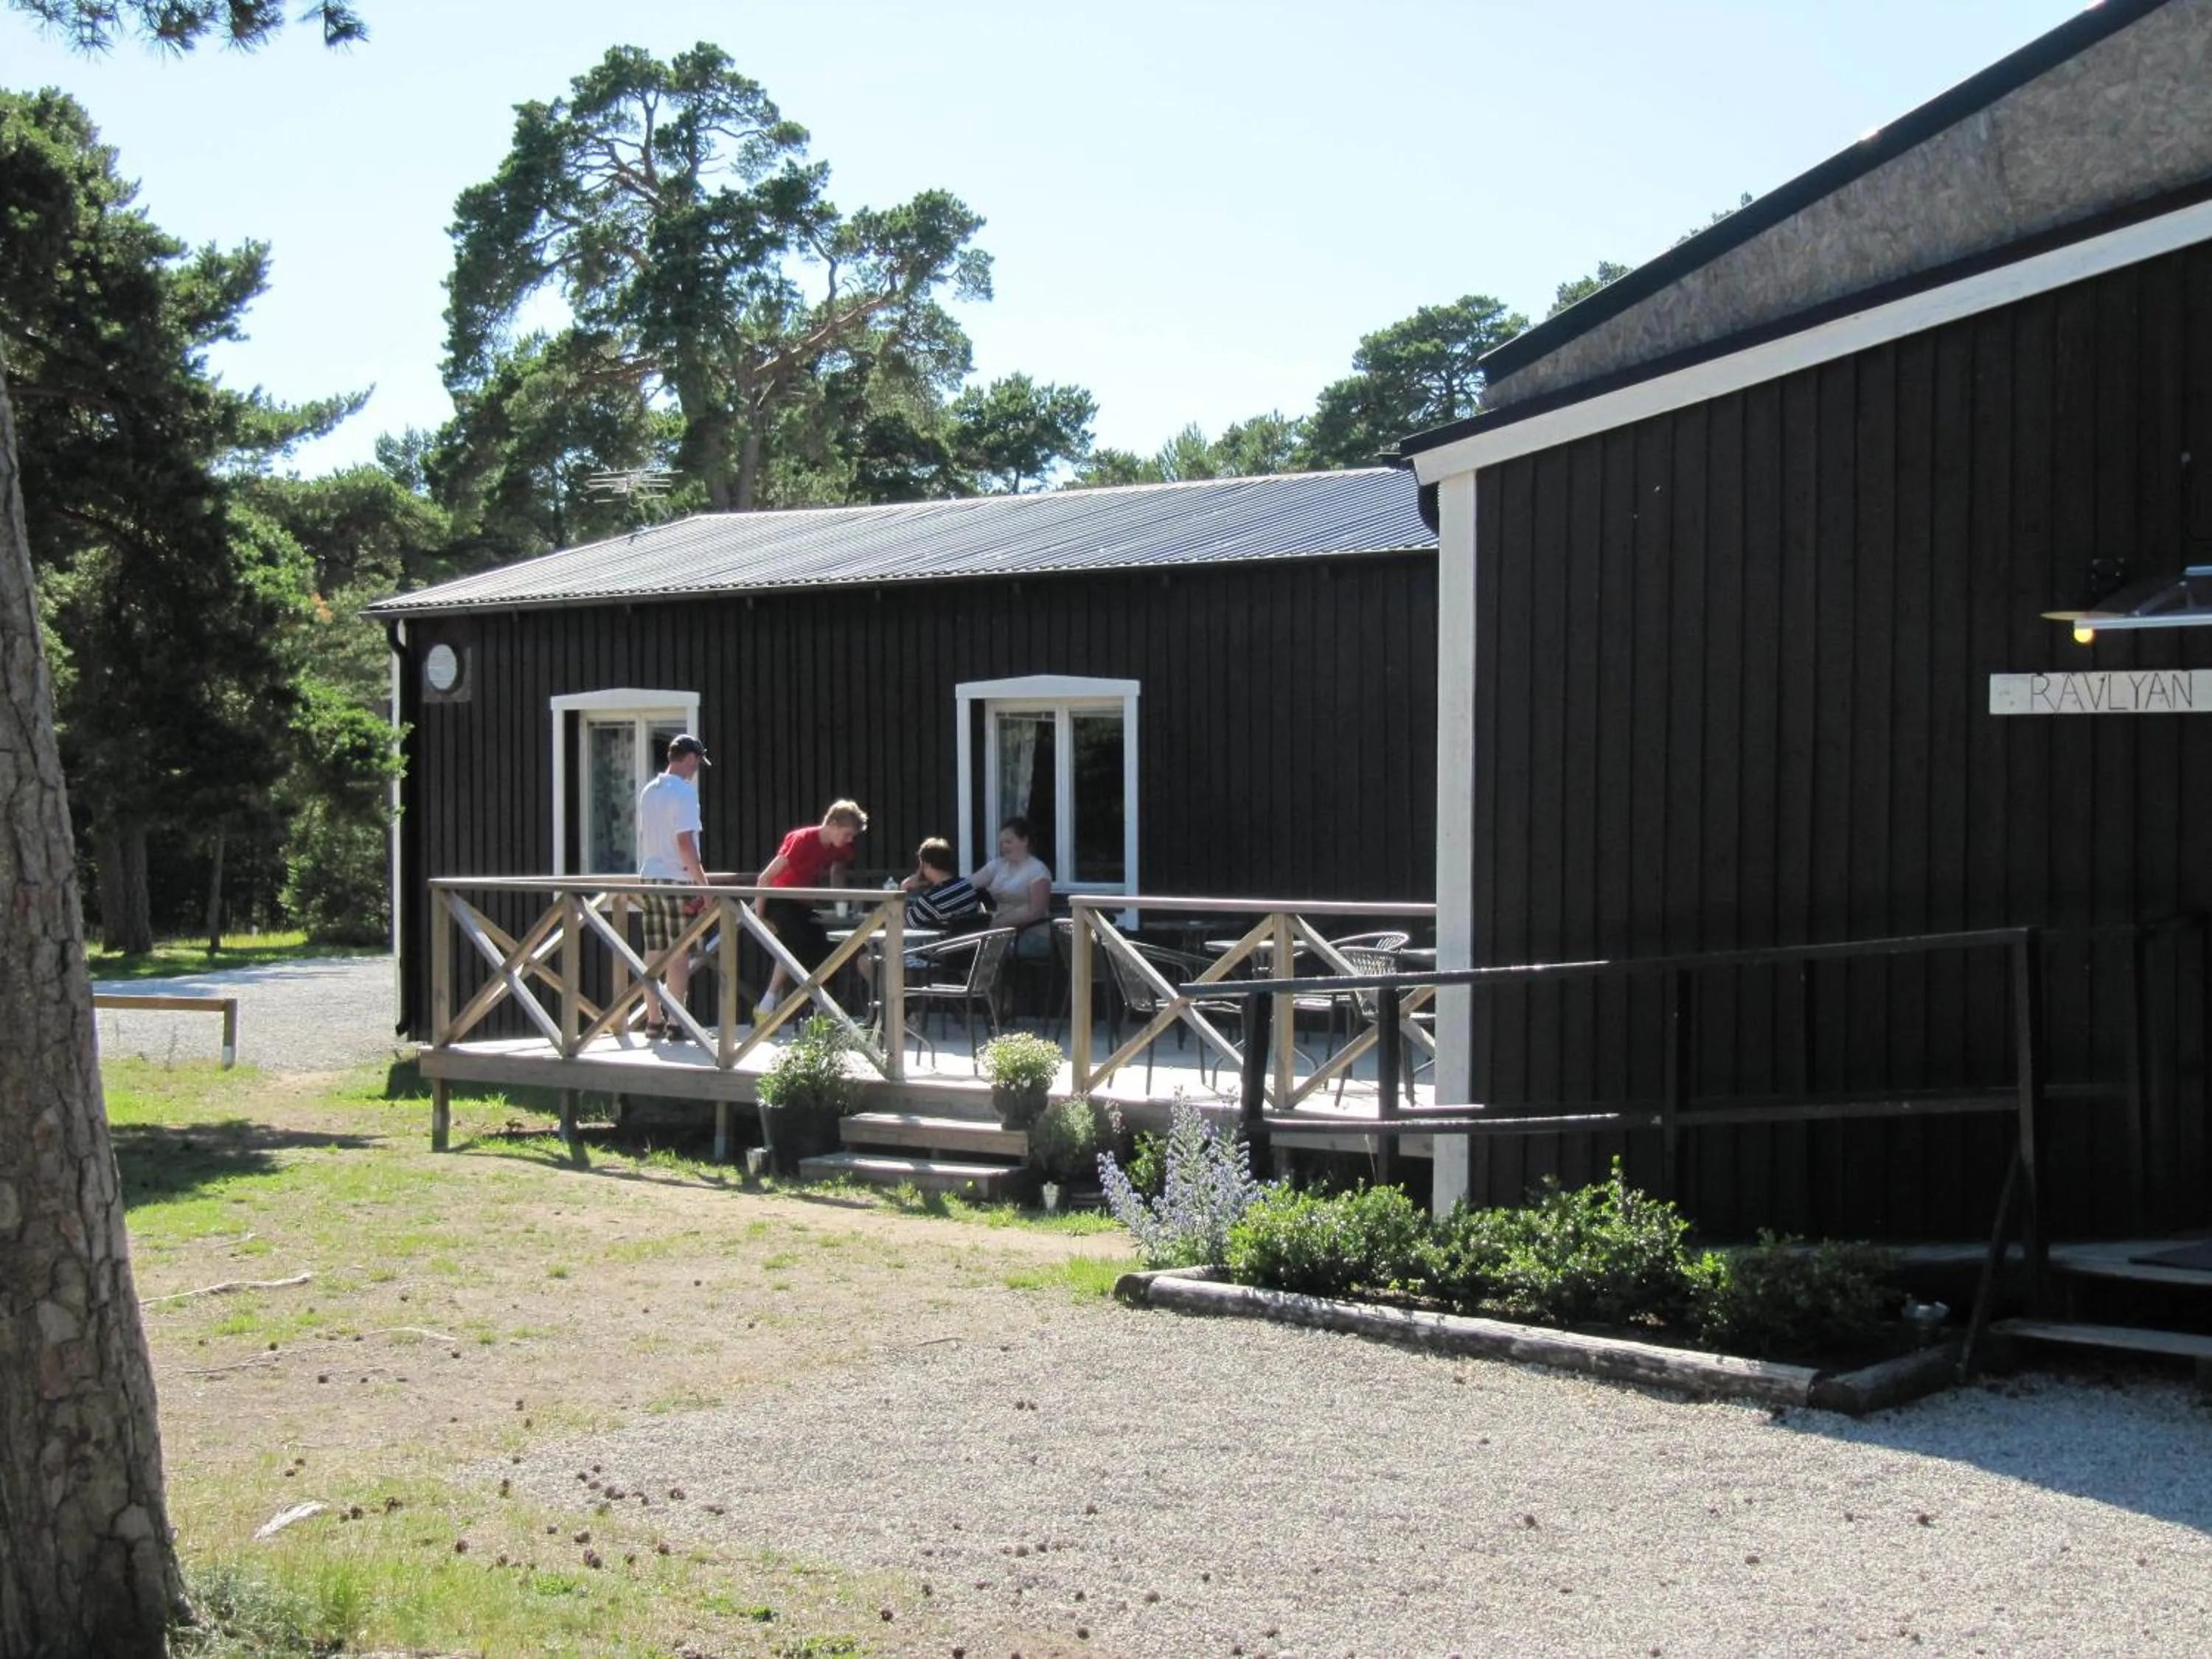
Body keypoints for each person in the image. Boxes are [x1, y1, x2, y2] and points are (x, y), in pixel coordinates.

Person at [753, 799, 866, 1021]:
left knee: (826, 950)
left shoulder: (838, 847)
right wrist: (759, 917)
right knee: (798, 946)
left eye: (852, 836)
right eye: (846, 834)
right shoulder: (803, 840)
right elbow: (765, 878)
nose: (849, 840)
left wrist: (838, 900)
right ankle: (779, 1007)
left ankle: (814, 1011)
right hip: (780, 900)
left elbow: (838, 870)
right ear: (832, 824)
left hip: (803, 904)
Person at [636, 733, 712, 1040]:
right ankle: (676, 1021)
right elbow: (685, 844)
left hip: (650, 877)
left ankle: (653, 1020)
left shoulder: (648, 791)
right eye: (697, 764)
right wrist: (703, 886)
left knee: (654, 950)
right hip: (677, 879)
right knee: (679, 954)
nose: (696, 771)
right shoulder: (684, 793)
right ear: (691, 758)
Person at [970, 816, 1054, 961]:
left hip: (1032, 934)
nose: (1004, 847)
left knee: (984, 949)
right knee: (968, 945)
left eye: (1009, 842)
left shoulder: (1038, 871)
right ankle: (978, 983)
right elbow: (967, 885)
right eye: (1002, 844)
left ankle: (992, 984)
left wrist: (1001, 923)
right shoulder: (998, 865)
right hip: (999, 932)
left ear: (1025, 841)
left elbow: (1037, 912)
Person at [900, 837, 986, 932]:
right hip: (971, 945)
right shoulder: (967, 886)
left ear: (926, 865)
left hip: (941, 945)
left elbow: (904, 926)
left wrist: (903, 890)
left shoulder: (930, 900)